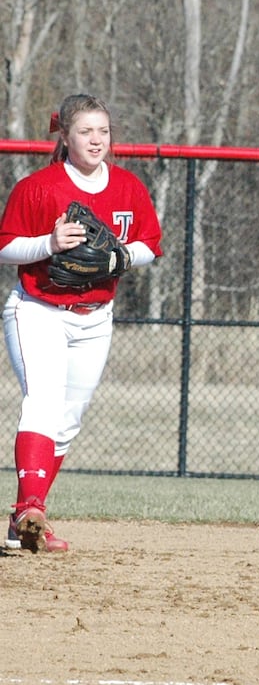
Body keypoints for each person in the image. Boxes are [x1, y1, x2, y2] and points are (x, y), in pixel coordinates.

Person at [0, 94, 162, 553]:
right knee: (44, 402)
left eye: (103, 131)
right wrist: (48, 242)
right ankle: (32, 506)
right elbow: (6, 246)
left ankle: (22, 522)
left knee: (67, 422)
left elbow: (150, 243)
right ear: (66, 137)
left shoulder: (128, 187)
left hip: (95, 318)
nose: (96, 140)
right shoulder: (39, 188)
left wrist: (122, 255)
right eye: (86, 131)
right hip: (38, 311)